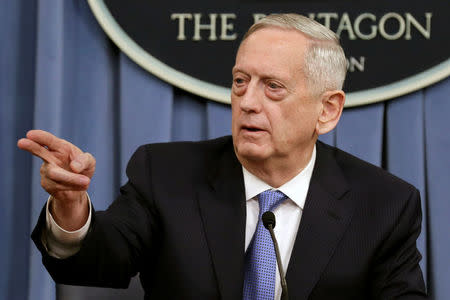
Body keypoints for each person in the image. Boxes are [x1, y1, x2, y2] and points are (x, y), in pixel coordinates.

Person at [18, 14, 427, 300]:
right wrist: (70, 208)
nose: (247, 102)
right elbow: (98, 264)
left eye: (273, 87)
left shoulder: (383, 205)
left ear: (327, 110)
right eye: (240, 82)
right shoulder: (167, 175)